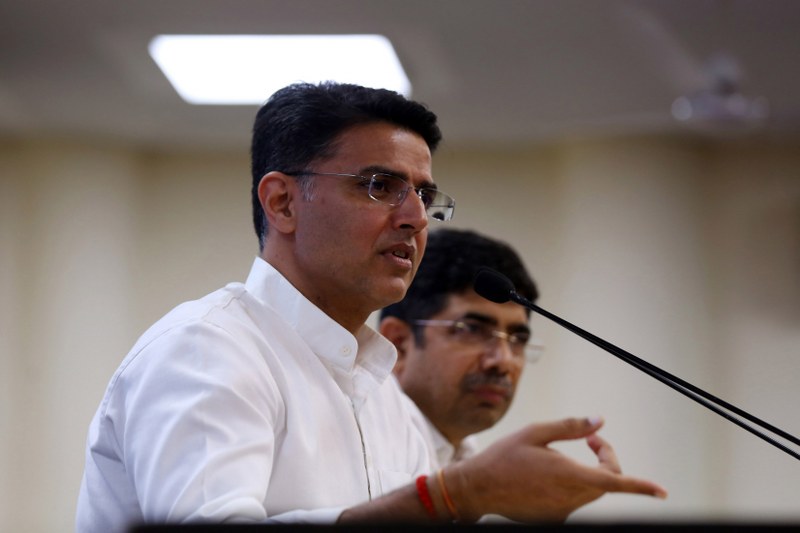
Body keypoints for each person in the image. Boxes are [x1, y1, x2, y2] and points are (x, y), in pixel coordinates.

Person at [76, 82, 666, 532]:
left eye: (425, 195)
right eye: (379, 186)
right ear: (282, 202)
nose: (413, 217)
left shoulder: (382, 391)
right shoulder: (207, 350)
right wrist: (452, 496)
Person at [379, 228, 539, 470]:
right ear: (399, 344)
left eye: (517, 339)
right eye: (472, 330)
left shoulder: (466, 461)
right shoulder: (361, 448)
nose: (503, 361)